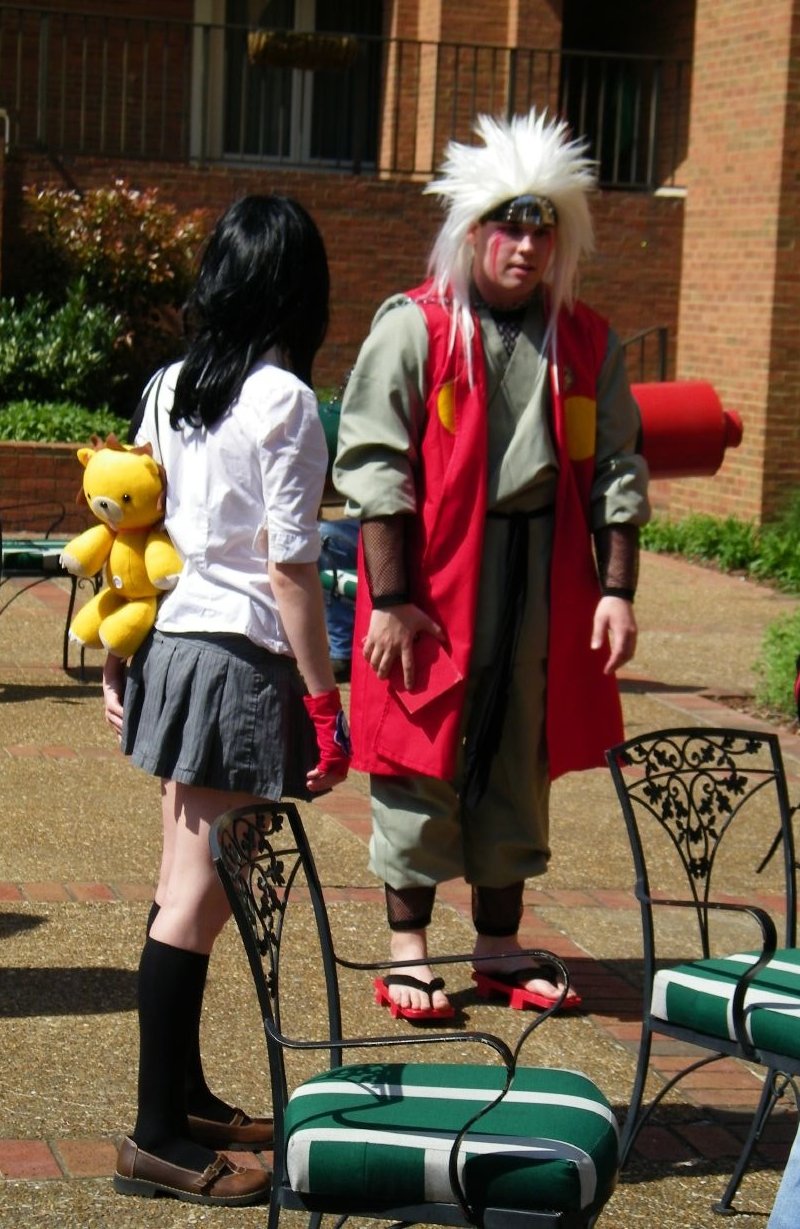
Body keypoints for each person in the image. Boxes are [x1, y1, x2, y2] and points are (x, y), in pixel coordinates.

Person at [333, 109, 650, 1021]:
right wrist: (390, 597)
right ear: (472, 230)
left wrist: (617, 587)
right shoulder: (416, 326)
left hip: (543, 577)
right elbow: (375, 465)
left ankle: (500, 947)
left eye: (540, 228)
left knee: (523, 748)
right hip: (435, 577)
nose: (524, 246)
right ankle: (407, 951)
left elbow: (618, 471)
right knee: (419, 745)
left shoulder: (586, 340)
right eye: (507, 227)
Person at [102, 194, 351, 1206]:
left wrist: (121, 659)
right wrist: (327, 703)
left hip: (173, 647)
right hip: (238, 664)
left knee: (180, 891)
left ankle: (185, 1098)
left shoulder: (167, 386)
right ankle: (156, 1134)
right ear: (299, 291)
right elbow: (291, 571)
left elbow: (134, 534)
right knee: (194, 905)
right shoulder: (284, 401)